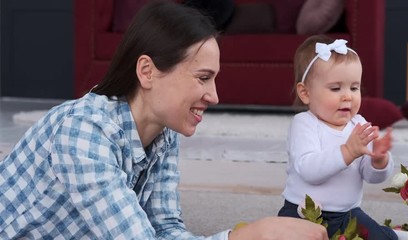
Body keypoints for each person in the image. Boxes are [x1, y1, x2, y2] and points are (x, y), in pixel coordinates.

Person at [0, 1, 328, 239]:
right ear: (147, 71)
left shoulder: (162, 131)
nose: (214, 96)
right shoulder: (82, 133)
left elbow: (166, 228)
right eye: (203, 78)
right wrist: (244, 237)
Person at [277, 35, 398, 240]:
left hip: (347, 215)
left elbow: (371, 177)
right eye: (335, 88)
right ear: (305, 93)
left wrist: (378, 160)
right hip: (303, 214)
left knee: (385, 239)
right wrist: (348, 151)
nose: (347, 96)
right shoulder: (304, 123)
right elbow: (309, 170)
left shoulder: (358, 125)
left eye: (354, 87)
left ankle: (394, 234)